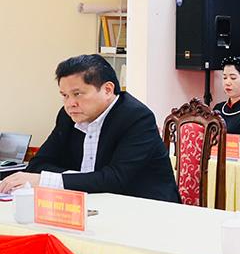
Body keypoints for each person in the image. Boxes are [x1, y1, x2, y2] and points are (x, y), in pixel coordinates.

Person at [0, 54, 180, 202]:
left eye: (77, 94)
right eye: (65, 95)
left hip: (145, 209)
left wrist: (47, 180)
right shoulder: (68, 116)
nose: (70, 104)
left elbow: (116, 180)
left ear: (107, 90)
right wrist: (83, 181)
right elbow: (38, 164)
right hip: (89, 207)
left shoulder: (137, 118)